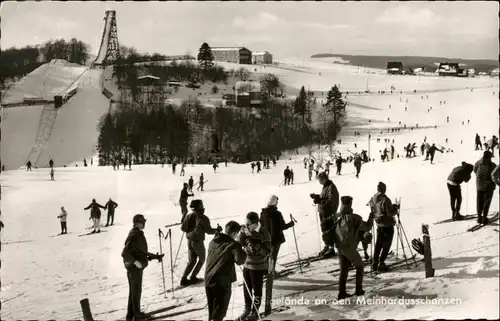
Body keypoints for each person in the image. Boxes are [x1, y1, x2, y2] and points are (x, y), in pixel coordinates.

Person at [321, 196, 374, 299]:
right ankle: (358, 290)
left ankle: (341, 293)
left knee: (344, 270)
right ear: (350, 204)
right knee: (360, 267)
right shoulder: (355, 218)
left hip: (339, 247)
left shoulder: (338, 218)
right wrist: (371, 218)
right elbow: (367, 227)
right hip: (349, 248)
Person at [121, 214, 164, 321]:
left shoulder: (137, 233)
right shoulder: (134, 235)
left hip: (134, 267)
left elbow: (139, 251)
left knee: (133, 291)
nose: (144, 223)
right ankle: (137, 315)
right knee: (136, 291)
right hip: (133, 268)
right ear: (137, 223)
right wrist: (136, 262)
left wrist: (154, 256)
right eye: (142, 222)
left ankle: (130, 315)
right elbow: (125, 253)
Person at [259, 195, 294, 315]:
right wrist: (291, 224)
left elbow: (261, 226)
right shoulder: (277, 214)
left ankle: (267, 270)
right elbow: (282, 226)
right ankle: (271, 272)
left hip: (266, 239)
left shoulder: (263, 213)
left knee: (268, 256)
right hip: (276, 239)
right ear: (274, 203)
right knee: (273, 257)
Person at [205, 221, 247, 321]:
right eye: (237, 234)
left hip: (209, 279)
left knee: (213, 310)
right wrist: (241, 247)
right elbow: (240, 260)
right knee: (219, 312)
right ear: (234, 233)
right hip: (221, 282)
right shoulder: (233, 244)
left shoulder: (213, 241)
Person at [238, 212, 271, 320]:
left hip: (258, 266)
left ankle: (255, 311)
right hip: (247, 265)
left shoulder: (264, 233)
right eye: (246, 223)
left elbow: (267, 251)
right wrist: (241, 235)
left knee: (257, 290)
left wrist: (256, 247)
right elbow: (239, 243)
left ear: (255, 223)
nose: (247, 226)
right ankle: (247, 309)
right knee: (246, 290)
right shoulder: (246, 230)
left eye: (249, 224)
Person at [180, 199, 219, 286]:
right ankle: (193, 277)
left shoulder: (189, 216)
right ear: (200, 207)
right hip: (197, 242)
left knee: (191, 261)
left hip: (189, 241)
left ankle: (184, 279)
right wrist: (217, 230)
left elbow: (183, 228)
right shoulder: (202, 218)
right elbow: (209, 231)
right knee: (201, 259)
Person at [368, 182, 399, 272]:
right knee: (387, 244)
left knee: (378, 244)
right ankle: (381, 263)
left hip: (379, 224)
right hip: (387, 225)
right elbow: (389, 213)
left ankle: (375, 262)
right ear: (384, 189)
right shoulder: (386, 199)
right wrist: (395, 209)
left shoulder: (373, 198)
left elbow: (374, 208)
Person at [310, 172, 339, 257]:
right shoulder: (326, 186)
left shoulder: (331, 187)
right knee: (324, 229)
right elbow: (325, 197)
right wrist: (317, 197)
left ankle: (331, 248)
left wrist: (319, 201)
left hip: (329, 212)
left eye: (319, 179)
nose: (319, 181)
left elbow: (331, 201)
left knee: (329, 229)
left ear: (323, 179)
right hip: (323, 212)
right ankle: (327, 245)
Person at [474, 151, 497, 224]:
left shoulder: (477, 163)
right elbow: (495, 175)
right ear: (489, 157)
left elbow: (475, 171)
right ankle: (484, 219)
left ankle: (479, 217)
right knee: (486, 202)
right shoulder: (492, 165)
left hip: (479, 185)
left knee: (479, 201)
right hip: (488, 186)